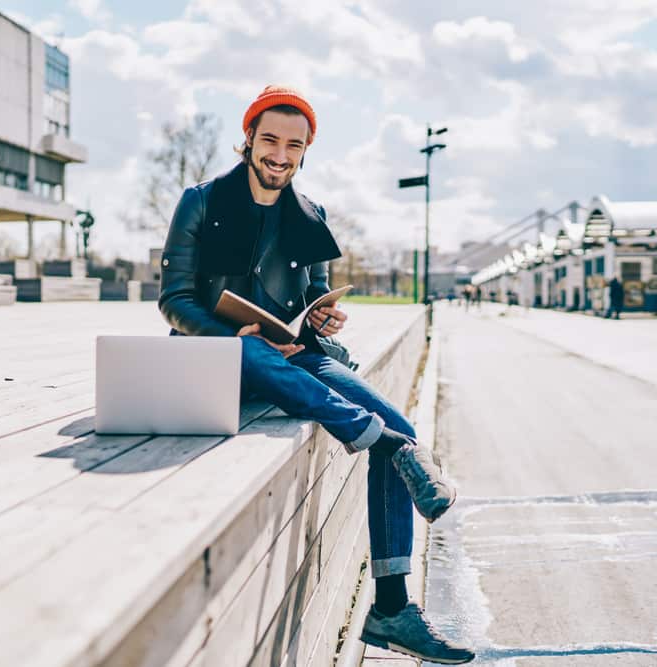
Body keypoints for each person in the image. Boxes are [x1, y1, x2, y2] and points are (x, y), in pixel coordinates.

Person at [159, 85, 474, 665]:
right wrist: (230, 337)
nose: (280, 154)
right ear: (249, 137)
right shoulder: (200, 201)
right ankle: (382, 442)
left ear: (305, 152)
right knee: (373, 429)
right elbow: (175, 299)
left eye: (294, 145)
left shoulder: (311, 217)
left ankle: (392, 610)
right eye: (271, 139)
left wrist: (321, 317)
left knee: (395, 422)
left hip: (291, 353)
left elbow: (309, 300)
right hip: (220, 353)